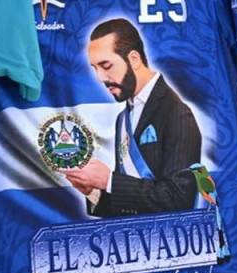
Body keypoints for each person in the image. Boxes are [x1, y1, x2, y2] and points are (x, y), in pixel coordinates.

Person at [63, 17, 202, 216]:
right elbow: (131, 202)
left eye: (106, 65)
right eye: (95, 68)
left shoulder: (177, 113)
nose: (100, 78)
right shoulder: (123, 118)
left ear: (134, 59)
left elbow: (179, 199)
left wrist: (109, 180)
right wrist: (94, 191)